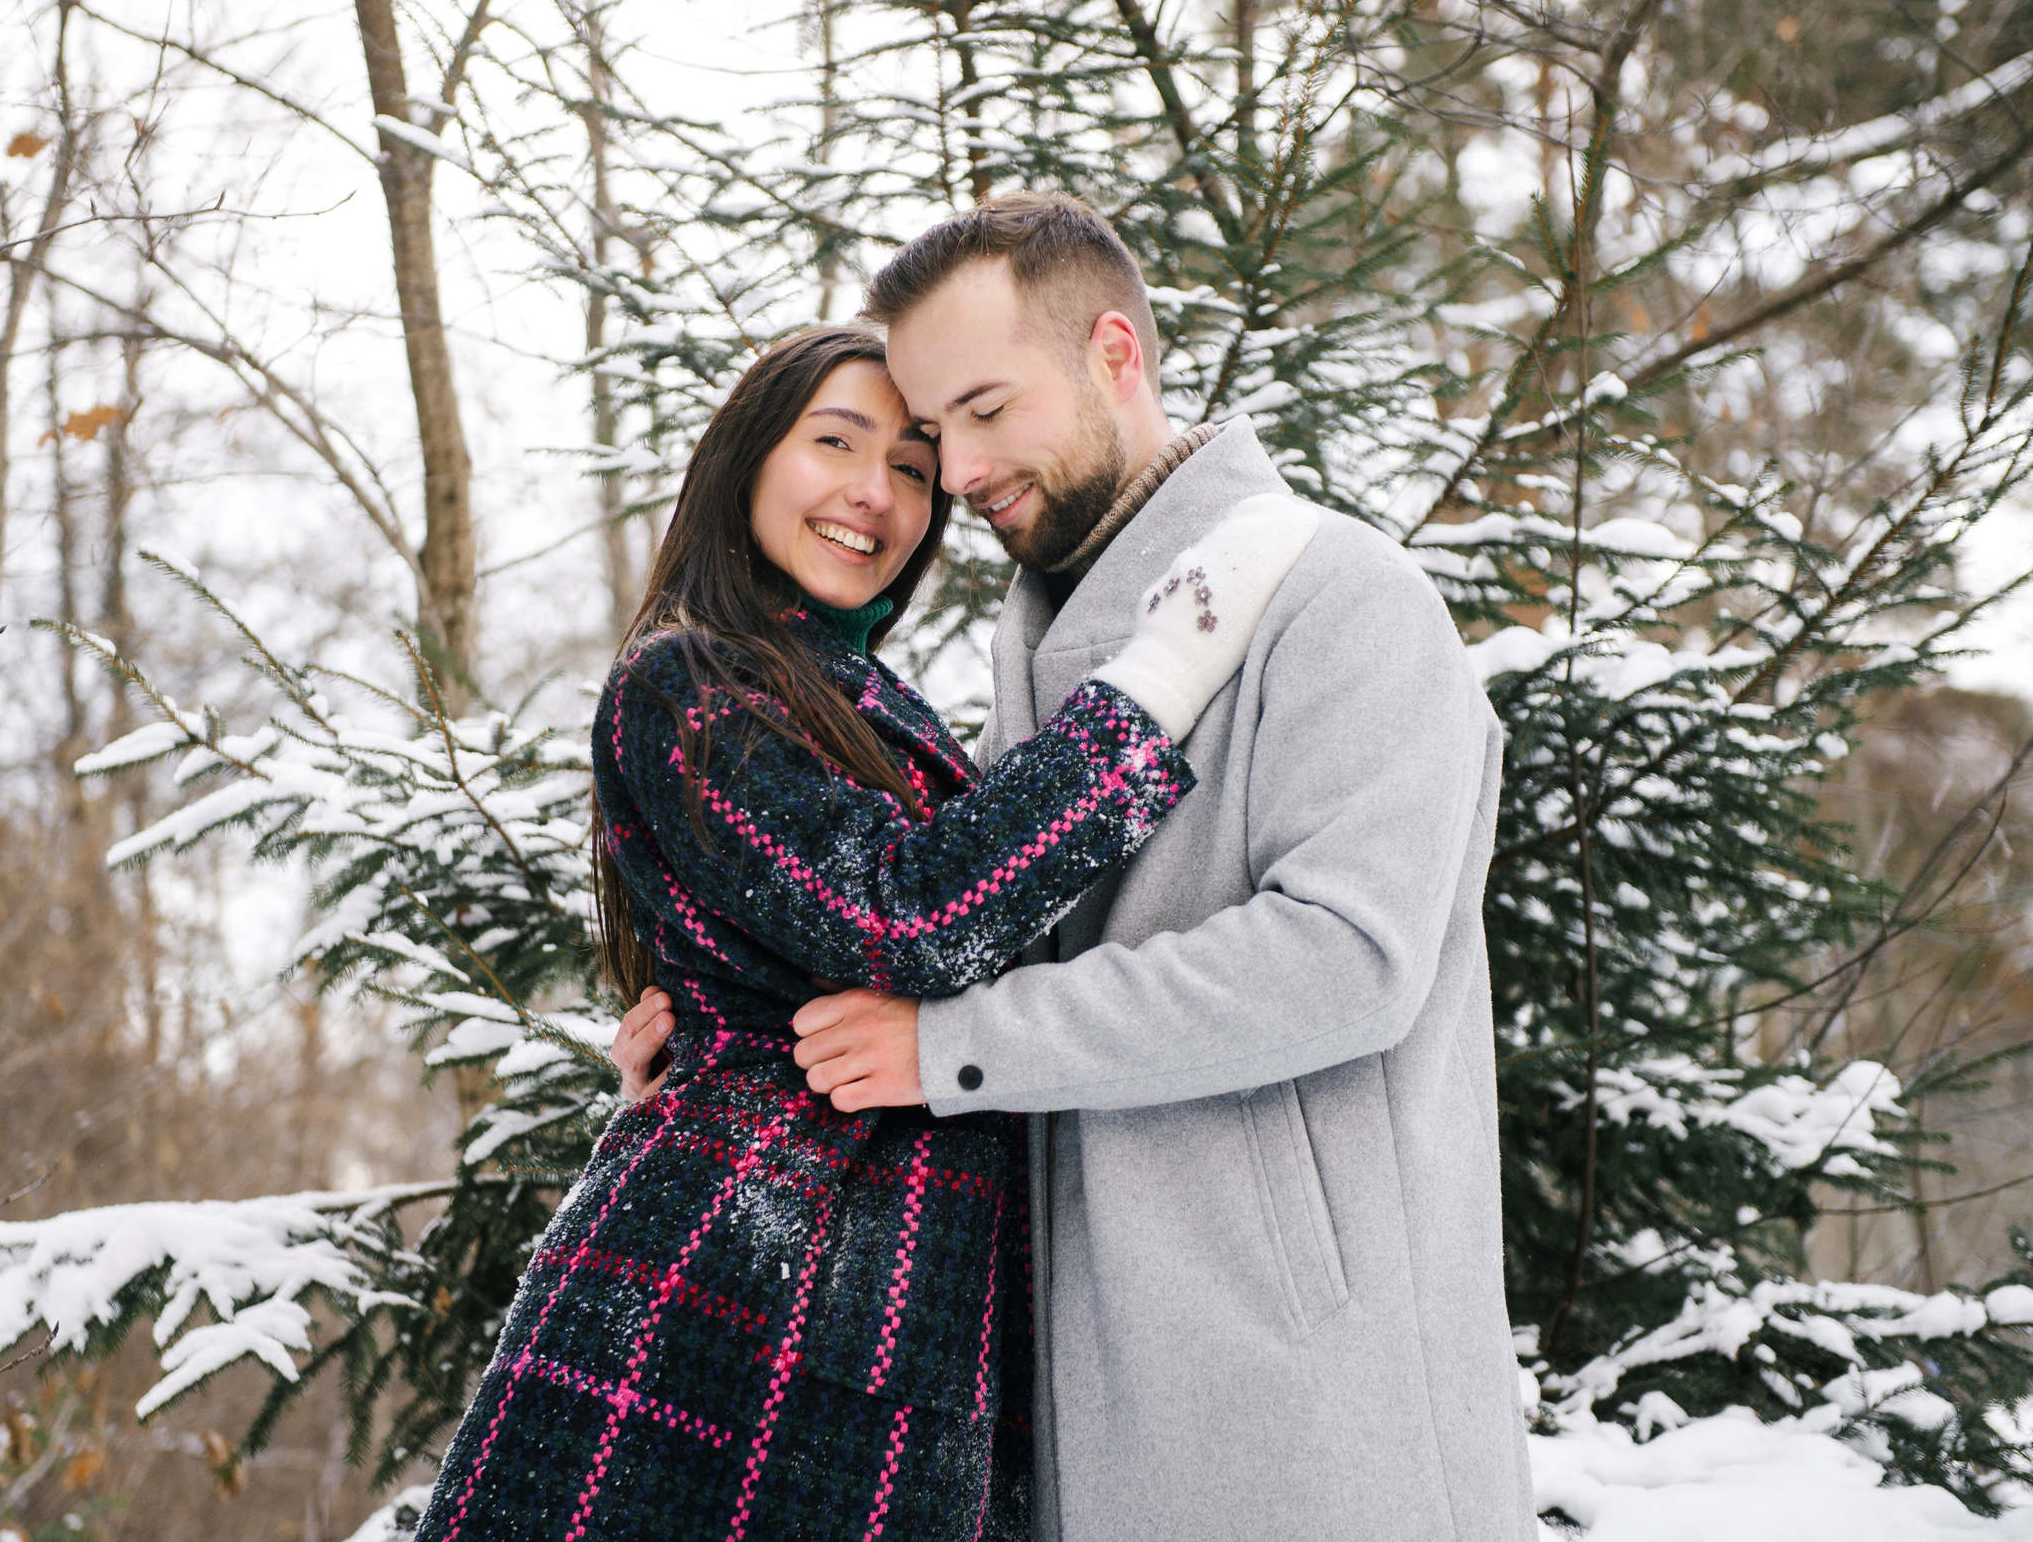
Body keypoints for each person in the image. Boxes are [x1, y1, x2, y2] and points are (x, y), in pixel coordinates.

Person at [614, 195, 1535, 1540]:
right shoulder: (1032, 677)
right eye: (938, 433)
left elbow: (1348, 960)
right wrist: (731, 1037)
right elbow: (920, 937)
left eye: (986, 409)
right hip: (1064, 1407)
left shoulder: (1339, 594)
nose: (959, 471)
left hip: (1304, 1407)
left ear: (1114, 354)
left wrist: (958, 1045)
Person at [414, 324, 1310, 1542]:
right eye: (834, 443)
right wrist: (1166, 669)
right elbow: (910, 918)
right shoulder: (687, 678)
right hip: (745, 1281)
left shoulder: (859, 698)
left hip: (881, 1291)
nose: (874, 494)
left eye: (910, 465)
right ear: (743, 460)